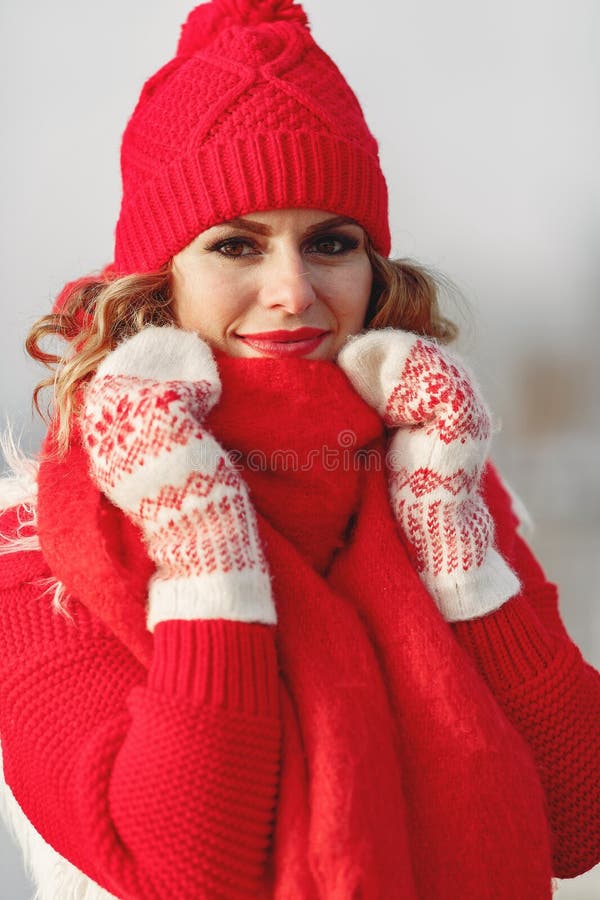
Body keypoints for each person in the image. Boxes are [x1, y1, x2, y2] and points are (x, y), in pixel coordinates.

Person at [0, 1, 598, 897]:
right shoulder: (42, 545)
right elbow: (188, 865)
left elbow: (579, 815)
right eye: (236, 244)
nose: (293, 290)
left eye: (331, 243)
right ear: (157, 283)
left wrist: (455, 542)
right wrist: (202, 537)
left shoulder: (434, 480)